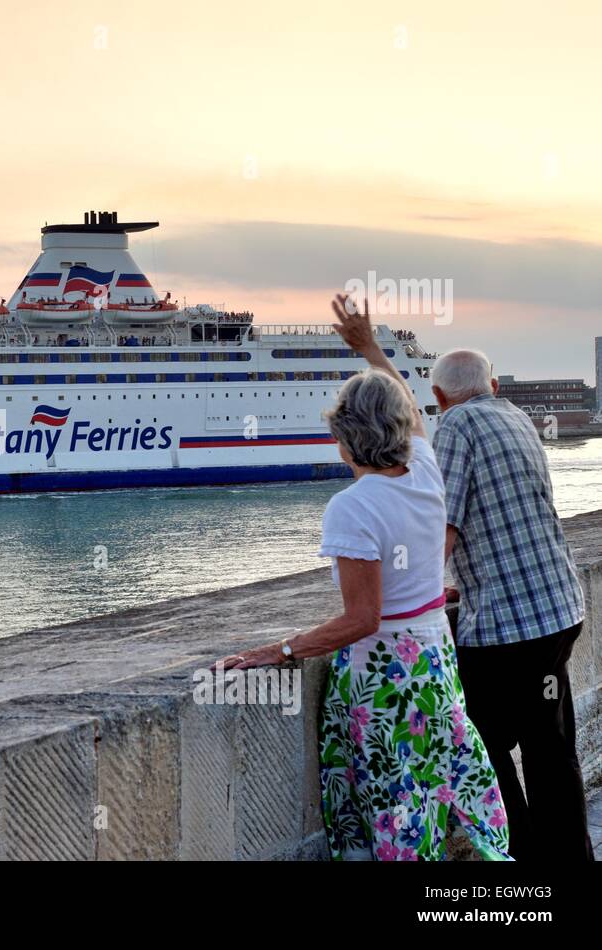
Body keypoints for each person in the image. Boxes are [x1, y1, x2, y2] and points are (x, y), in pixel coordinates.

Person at [225, 296, 510, 861]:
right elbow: (411, 407)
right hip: (436, 659)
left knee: (397, 806)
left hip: (387, 680)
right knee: (442, 790)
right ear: (402, 428)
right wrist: (369, 348)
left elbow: (363, 619)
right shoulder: (425, 473)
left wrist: (281, 649)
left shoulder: (352, 507)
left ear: (344, 436)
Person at [430, 349, 593, 861]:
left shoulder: (454, 426)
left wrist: (418, 592)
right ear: (493, 384)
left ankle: (518, 857)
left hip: (508, 626)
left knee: (480, 747)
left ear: (438, 397)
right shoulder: (516, 415)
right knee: (549, 748)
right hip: (558, 608)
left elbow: (445, 527)